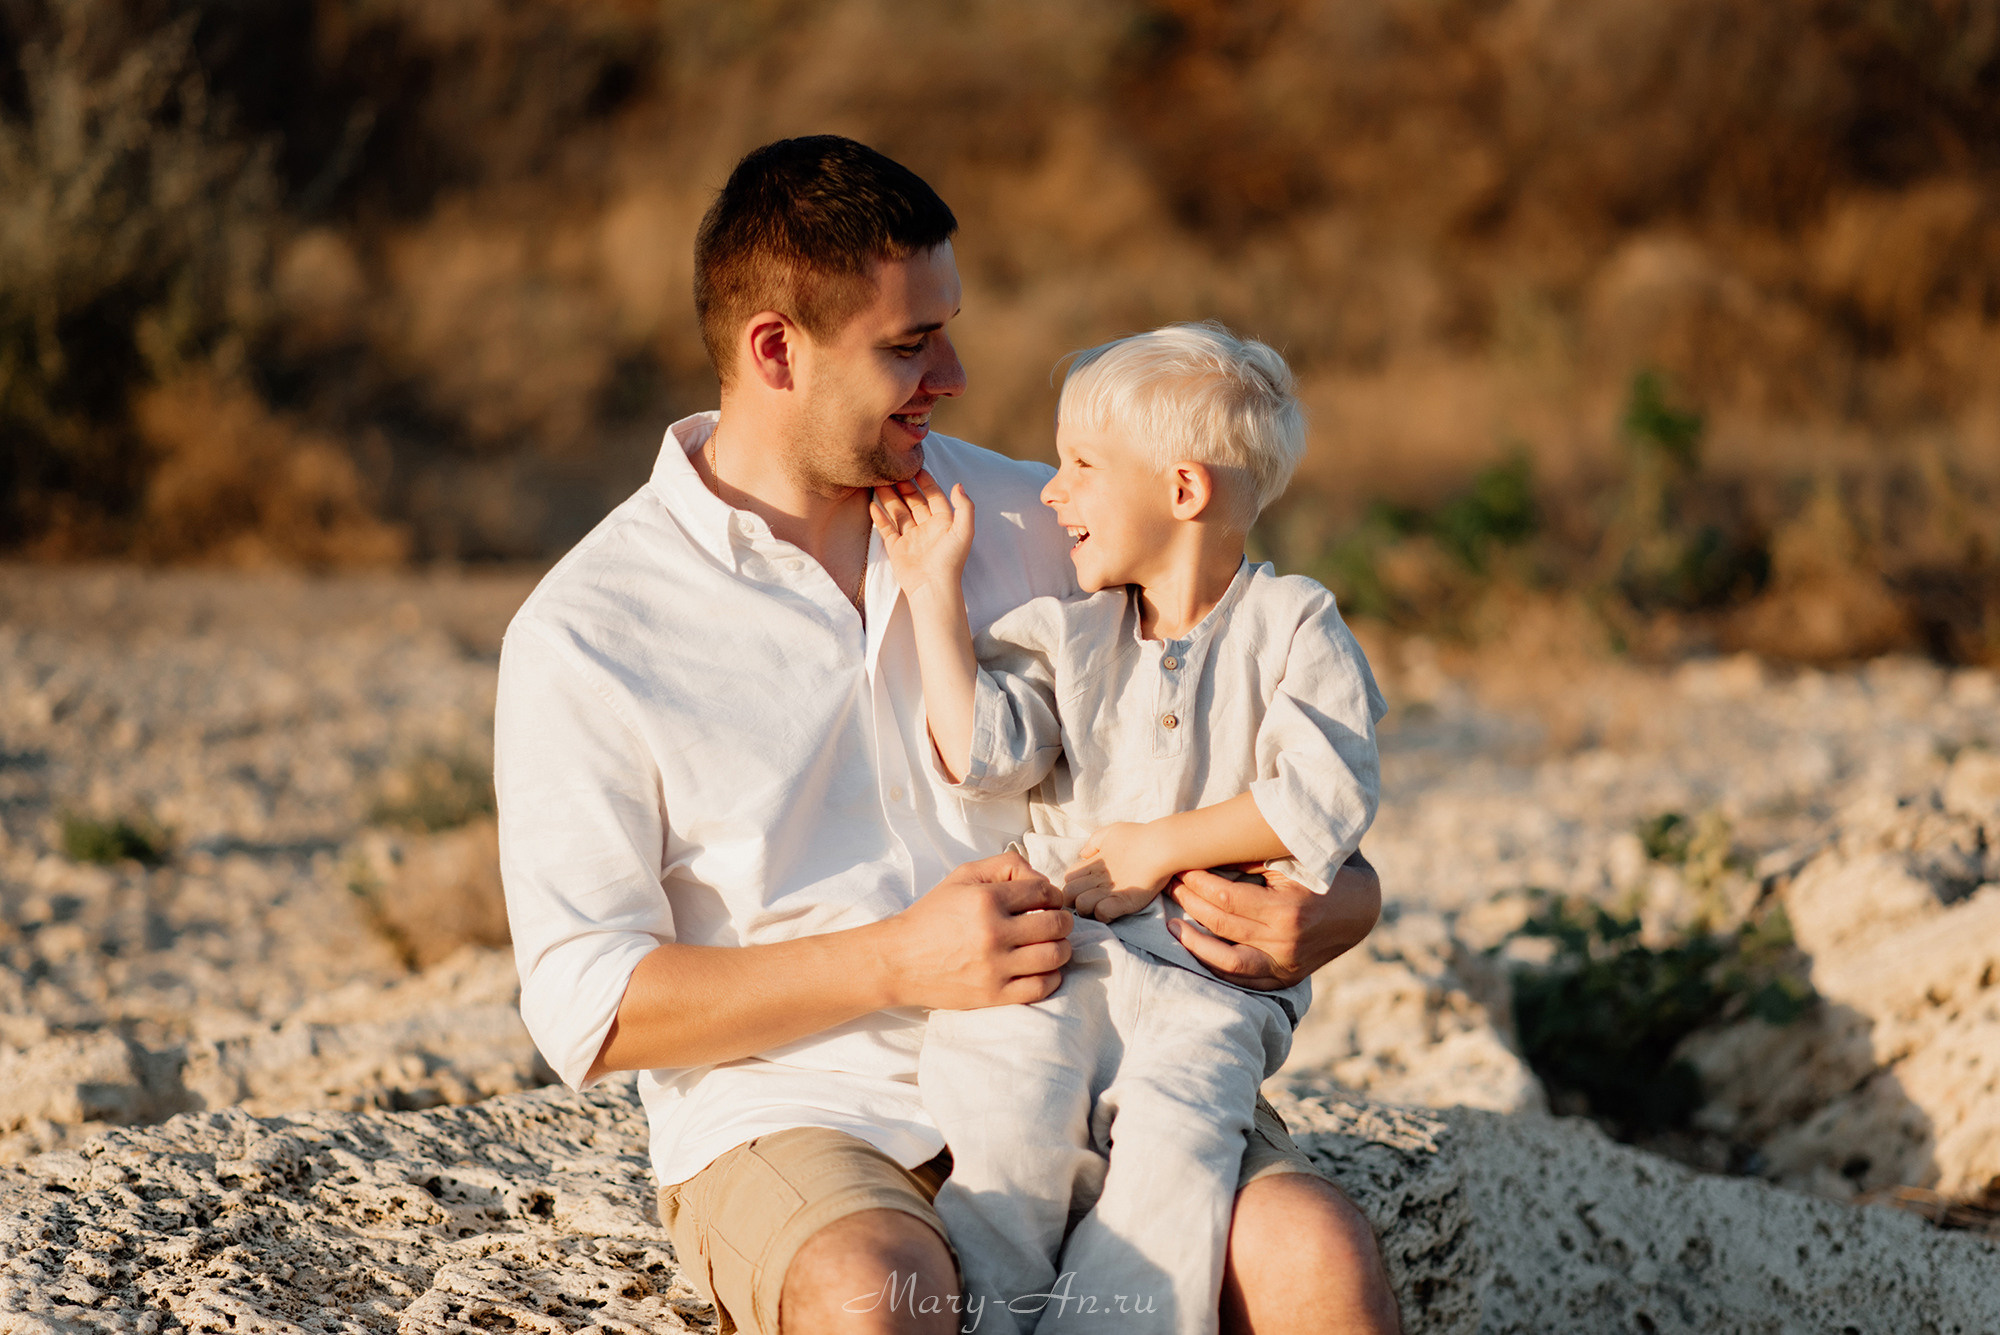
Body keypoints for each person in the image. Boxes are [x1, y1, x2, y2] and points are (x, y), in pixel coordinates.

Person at [495, 135, 1400, 1335]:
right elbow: (587, 1006)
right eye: (908, 344)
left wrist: (1340, 910)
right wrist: (894, 964)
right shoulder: (591, 629)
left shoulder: (1047, 519)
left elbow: (1246, 745)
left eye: (948, 329)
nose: (955, 373)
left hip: (1109, 1055)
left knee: (1312, 1253)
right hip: (808, 1114)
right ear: (776, 349)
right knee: (875, 1297)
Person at [871, 323, 1385, 1333]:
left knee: (1176, 1158)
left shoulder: (1293, 627)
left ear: (1183, 491)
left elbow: (1320, 794)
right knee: (1003, 1122)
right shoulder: (1074, 634)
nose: (1052, 492)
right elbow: (984, 749)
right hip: (1060, 959)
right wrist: (930, 593)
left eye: (1079, 466)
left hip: (1212, 983)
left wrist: (1158, 845)